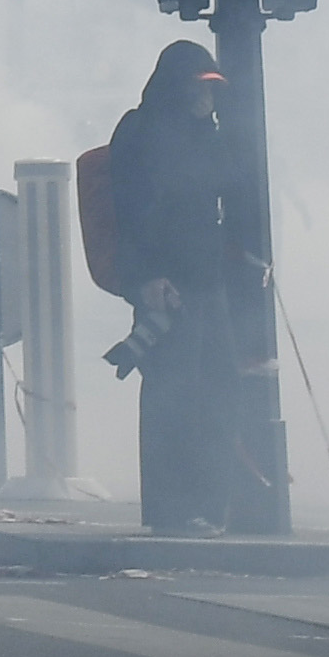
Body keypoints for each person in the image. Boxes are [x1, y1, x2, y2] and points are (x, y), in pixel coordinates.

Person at [95, 41, 246, 531]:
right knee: (173, 398)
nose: (208, 98)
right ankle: (171, 509)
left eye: (215, 90)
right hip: (167, 283)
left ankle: (208, 505)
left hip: (206, 281)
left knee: (218, 392)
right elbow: (131, 211)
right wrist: (145, 279)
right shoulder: (141, 131)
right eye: (201, 88)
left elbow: (226, 190)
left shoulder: (207, 134)